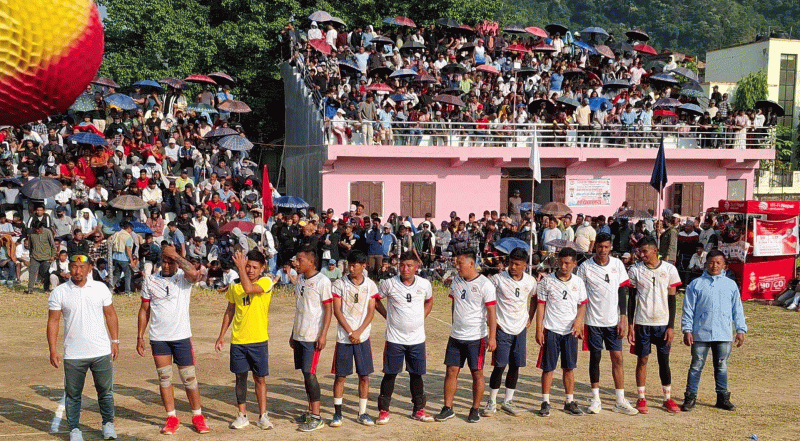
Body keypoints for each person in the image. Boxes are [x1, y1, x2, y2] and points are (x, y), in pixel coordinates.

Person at [136, 245, 210, 435]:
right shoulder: (150, 281)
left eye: (170, 261)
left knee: (189, 379)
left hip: (181, 337)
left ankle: (197, 416)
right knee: (165, 378)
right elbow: (144, 310)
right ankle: (171, 417)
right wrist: (140, 336)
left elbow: (194, 273)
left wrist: (176, 255)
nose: (167, 265)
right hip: (159, 338)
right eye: (164, 261)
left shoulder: (183, 279)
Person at [47, 254, 119, 441]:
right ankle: (74, 429)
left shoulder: (100, 288)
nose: (77, 270)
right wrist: (53, 349)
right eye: (74, 266)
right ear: (69, 268)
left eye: (81, 267)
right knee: (73, 395)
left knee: (105, 391)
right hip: (73, 354)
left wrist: (115, 341)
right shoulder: (59, 292)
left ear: (89, 269)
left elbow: (111, 316)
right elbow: (53, 321)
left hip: (101, 351)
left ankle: (108, 424)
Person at [576, 234, 639, 415]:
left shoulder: (617, 265)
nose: (603, 250)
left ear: (610, 247)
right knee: (595, 358)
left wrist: (623, 318)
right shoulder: (585, 267)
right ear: (594, 247)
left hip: (613, 322)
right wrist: (579, 321)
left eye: (606, 247)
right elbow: (580, 296)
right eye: (599, 247)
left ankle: (619, 400)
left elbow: (622, 292)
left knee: (617, 358)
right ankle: (595, 398)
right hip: (593, 321)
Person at [214, 249, 275, 430]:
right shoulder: (234, 286)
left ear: (262, 268)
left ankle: (263, 415)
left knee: (259, 379)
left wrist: (239, 268)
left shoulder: (266, 282)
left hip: (258, 340)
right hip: (238, 341)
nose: (249, 270)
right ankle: (242, 415)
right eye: (247, 266)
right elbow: (230, 311)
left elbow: (249, 288)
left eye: (254, 267)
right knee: (240, 378)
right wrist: (221, 336)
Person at [435, 249, 497, 423]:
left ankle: (475, 409)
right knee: (451, 371)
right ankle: (448, 408)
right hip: (456, 336)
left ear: (471, 264)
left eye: (459, 263)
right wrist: (455, 323)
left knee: (477, 373)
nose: (457, 267)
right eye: (456, 263)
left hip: (476, 337)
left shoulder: (485, 285)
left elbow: (492, 313)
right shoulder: (456, 281)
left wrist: (492, 337)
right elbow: (454, 303)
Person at [680, 250, 747, 412]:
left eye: (718, 262)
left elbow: (737, 309)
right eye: (711, 262)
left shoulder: (730, 285)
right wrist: (687, 329)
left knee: (722, 365)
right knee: (696, 365)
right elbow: (688, 309)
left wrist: (740, 329)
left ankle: (722, 398)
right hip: (700, 333)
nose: (714, 265)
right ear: (705, 263)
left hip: (723, 333)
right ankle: (690, 397)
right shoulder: (696, 284)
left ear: (724, 265)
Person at [375, 251, 435, 424]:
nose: (405, 269)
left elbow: (429, 301)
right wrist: (387, 316)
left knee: (416, 375)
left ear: (416, 267)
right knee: (390, 374)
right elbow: (376, 300)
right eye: (402, 265)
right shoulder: (389, 284)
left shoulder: (424, 284)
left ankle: (419, 410)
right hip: (395, 338)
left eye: (409, 266)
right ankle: (384, 410)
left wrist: (421, 317)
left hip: (416, 339)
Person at [627, 236, 682, 413]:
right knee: (642, 359)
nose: (641, 255)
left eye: (644, 251)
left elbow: (672, 299)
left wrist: (671, 326)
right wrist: (630, 324)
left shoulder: (669, 269)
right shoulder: (635, 270)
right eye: (639, 251)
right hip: (642, 323)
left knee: (664, 361)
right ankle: (641, 398)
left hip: (662, 324)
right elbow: (631, 300)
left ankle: (667, 398)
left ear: (655, 251)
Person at [482, 248, 537, 417]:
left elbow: (535, 298)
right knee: (499, 365)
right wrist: (489, 321)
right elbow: (487, 299)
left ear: (525, 265)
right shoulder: (498, 280)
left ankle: (508, 400)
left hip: (520, 329)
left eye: (517, 264)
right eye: (511, 263)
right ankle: (491, 400)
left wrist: (531, 317)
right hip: (502, 328)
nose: (513, 267)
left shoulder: (530, 281)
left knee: (515, 365)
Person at [535, 247, 587, 417]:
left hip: (570, 331)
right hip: (552, 329)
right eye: (561, 262)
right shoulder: (547, 281)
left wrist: (579, 321)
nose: (563, 266)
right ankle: (545, 401)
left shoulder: (578, 282)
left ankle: (569, 401)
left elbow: (582, 304)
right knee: (548, 367)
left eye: (567, 263)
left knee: (569, 367)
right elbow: (541, 305)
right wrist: (539, 328)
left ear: (574, 263)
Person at [329, 251, 379, 427]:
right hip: (344, 338)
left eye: (355, 265)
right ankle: (337, 414)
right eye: (349, 264)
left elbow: (371, 312)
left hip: (363, 337)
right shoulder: (339, 284)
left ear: (363, 266)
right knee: (340, 376)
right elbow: (337, 311)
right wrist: (351, 332)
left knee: (364, 376)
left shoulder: (371, 286)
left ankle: (362, 412)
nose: (351, 268)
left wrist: (359, 332)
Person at [290, 249, 333, 432]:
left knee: (310, 373)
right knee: (304, 374)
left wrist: (323, 335)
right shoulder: (300, 280)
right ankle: (309, 411)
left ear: (311, 262)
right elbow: (300, 308)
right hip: (299, 334)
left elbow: (329, 310)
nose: (296, 263)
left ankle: (317, 416)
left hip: (312, 336)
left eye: (300, 260)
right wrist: (293, 333)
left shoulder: (322, 281)